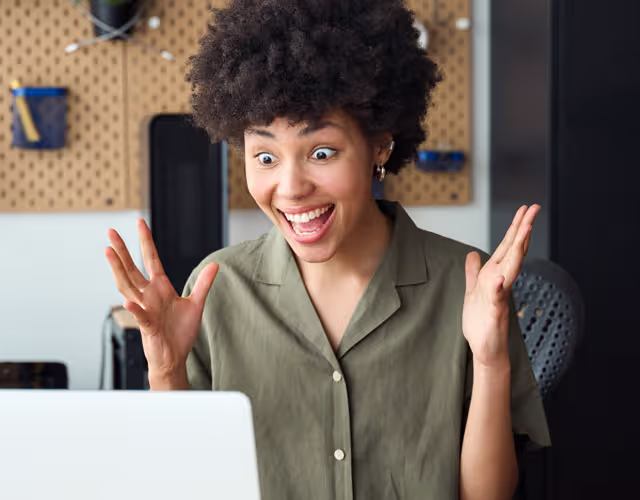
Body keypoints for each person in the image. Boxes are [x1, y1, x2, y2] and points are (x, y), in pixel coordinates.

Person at [105, 0, 550, 498]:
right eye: (266, 156)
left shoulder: (467, 287)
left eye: (321, 153)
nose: (291, 188)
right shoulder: (218, 291)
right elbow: (189, 486)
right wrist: (166, 372)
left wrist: (490, 362)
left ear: (380, 146)